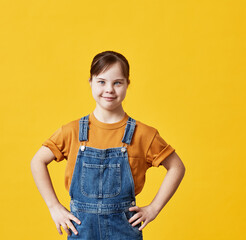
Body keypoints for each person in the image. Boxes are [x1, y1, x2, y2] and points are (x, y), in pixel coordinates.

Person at [30, 50, 186, 239]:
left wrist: (154, 208)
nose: (109, 89)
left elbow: (177, 167)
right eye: (101, 82)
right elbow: (37, 161)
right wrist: (54, 206)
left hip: (124, 231)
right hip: (82, 230)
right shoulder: (72, 131)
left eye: (117, 82)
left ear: (128, 84)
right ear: (91, 83)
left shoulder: (144, 134)